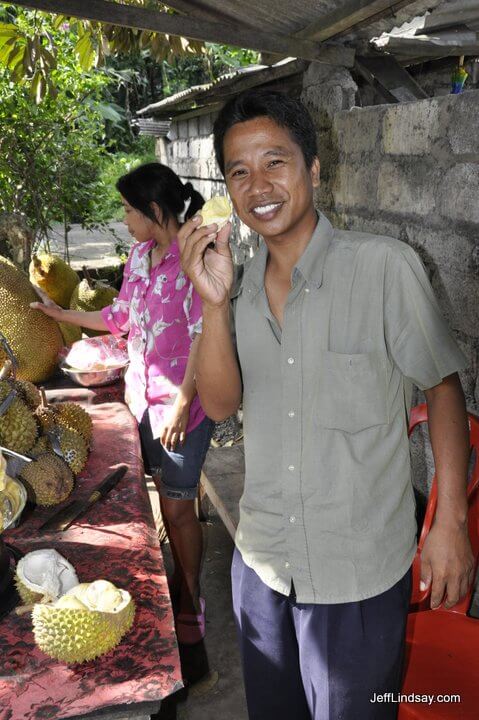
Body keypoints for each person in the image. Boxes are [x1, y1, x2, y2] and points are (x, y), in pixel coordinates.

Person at [178, 90, 474, 718]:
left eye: (275, 162)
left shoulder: (384, 268)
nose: (258, 184)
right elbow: (223, 404)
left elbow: (442, 388)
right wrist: (210, 305)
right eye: (239, 171)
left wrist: (450, 523)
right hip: (261, 566)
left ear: (313, 170)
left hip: (359, 573)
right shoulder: (237, 292)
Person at [31, 163, 214, 645]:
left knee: (176, 510)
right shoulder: (138, 256)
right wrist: (60, 313)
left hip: (183, 408)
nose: (126, 220)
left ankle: (192, 594)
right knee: (171, 495)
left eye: (130, 211)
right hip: (142, 399)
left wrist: (182, 403)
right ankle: (181, 566)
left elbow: (203, 335)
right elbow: (120, 317)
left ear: (155, 210)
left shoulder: (197, 256)